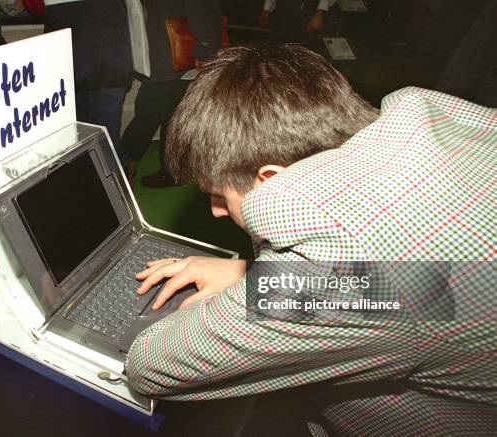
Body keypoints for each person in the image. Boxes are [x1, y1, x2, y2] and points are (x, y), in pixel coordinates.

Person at [124, 43, 496, 435]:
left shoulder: (337, 261)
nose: (216, 210)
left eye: (219, 194)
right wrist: (247, 273)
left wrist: (256, 293)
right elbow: (416, 281)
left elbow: (152, 367)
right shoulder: (425, 112)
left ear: (270, 178)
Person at [121, 0, 222, 188]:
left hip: (173, 49)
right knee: (170, 111)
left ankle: (124, 162)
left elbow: (200, 8)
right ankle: (170, 172)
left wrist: (205, 47)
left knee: (152, 108)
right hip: (172, 49)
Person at [43, 0, 132, 163]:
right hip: (108, 55)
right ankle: (120, 174)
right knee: (106, 142)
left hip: (67, 59)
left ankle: (115, 173)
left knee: (74, 143)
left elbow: (21, 7)